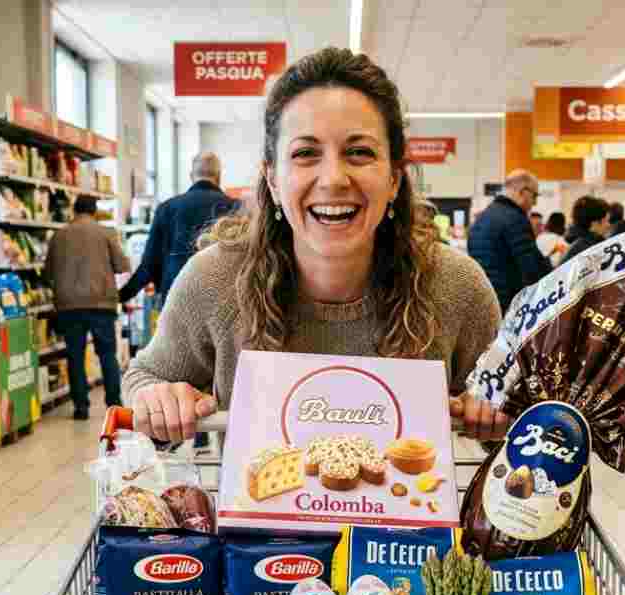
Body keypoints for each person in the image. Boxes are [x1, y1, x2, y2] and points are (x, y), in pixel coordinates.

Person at [121, 47, 508, 443]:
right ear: (272, 179)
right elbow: (144, 376)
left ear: (394, 178)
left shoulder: (456, 286)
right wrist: (157, 398)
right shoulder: (215, 280)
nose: (333, 179)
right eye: (305, 153)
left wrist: (495, 410)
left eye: (359, 152)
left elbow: (516, 407)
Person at [46, 195, 129, 420]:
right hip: (101, 303)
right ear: (94, 211)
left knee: (75, 356)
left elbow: (48, 272)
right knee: (107, 354)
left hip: (69, 305)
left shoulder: (59, 236)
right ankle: (114, 403)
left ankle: (80, 407)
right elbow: (122, 265)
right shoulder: (106, 233)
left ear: (74, 210)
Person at [119, 151, 239, 301]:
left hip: (175, 295)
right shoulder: (235, 208)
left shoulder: (167, 208)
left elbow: (150, 264)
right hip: (221, 295)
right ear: (219, 176)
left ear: (191, 176)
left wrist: (122, 295)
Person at [468, 170, 553, 313]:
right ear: (523, 192)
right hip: (508, 303)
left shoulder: (482, 218)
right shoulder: (515, 219)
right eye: (534, 196)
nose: (535, 202)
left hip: (484, 300)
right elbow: (530, 266)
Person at [562, 196, 611, 263]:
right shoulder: (586, 249)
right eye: (606, 221)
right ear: (595, 223)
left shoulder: (572, 242)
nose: (608, 225)